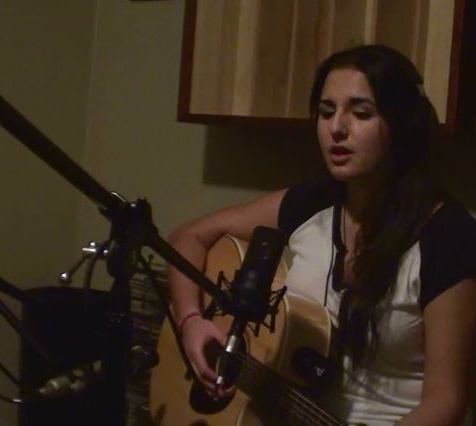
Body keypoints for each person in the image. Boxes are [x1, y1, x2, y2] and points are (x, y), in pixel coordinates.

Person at [166, 45, 476, 425]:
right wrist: (190, 321)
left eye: (361, 113)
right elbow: (190, 237)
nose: (337, 129)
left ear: (401, 125)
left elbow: (447, 401)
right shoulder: (311, 203)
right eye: (327, 112)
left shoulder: (447, 234)